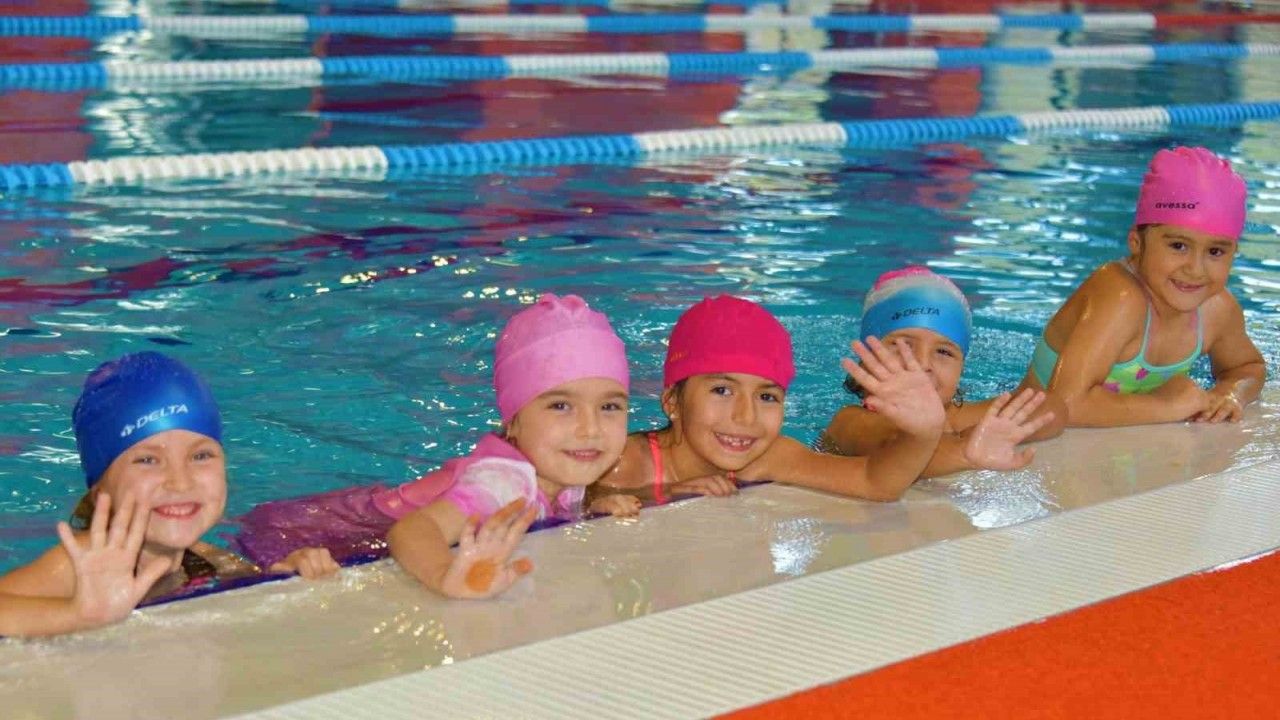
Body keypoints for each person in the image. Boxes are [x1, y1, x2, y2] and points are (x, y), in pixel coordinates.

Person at [236, 294, 639, 599]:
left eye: (609, 406)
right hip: (305, 529)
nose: (590, 428)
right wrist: (446, 575)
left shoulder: (560, 465)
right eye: (561, 406)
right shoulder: (503, 485)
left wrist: (589, 508)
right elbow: (411, 530)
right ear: (513, 419)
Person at [0, 352, 336, 638]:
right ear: (100, 488)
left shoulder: (205, 560)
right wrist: (77, 615)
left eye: (201, 455)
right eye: (148, 460)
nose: (180, 482)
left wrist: (284, 578)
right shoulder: (82, 562)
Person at [596, 294, 945, 503]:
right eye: (722, 390)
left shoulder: (769, 456)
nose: (746, 417)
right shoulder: (624, 462)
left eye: (767, 396)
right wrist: (661, 495)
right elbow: (576, 508)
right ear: (672, 402)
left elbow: (873, 482)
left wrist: (925, 432)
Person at [1024, 146, 1266, 426]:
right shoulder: (1120, 297)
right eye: (1178, 246)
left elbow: (1248, 367)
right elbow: (1065, 405)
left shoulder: (1216, 309)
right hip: (1030, 436)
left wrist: (1231, 394)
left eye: (1215, 252)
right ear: (1137, 244)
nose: (1195, 269)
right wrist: (1168, 406)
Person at [820, 266, 1062, 476]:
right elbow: (895, 448)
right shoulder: (850, 423)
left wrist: (980, 433)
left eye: (944, 352)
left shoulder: (954, 417)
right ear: (866, 360)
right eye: (903, 346)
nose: (922, 363)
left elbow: (1050, 408)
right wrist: (965, 448)